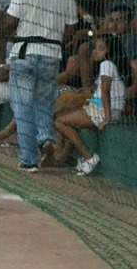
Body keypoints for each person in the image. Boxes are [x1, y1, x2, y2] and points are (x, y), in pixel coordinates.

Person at [3, 0, 78, 171]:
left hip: (25, 50)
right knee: (44, 103)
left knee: (22, 107)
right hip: (52, 54)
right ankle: (46, 138)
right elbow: (71, 28)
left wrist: (5, 31)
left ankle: (29, 159)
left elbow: (10, 21)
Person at [54, 37, 127, 176]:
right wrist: (90, 93)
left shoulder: (106, 64)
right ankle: (70, 155)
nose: (95, 51)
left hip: (104, 110)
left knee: (59, 121)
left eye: (101, 48)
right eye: (95, 48)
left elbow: (105, 93)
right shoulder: (108, 65)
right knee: (68, 110)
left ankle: (88, 157)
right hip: (99, 106)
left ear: (110, 51)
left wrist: (107, 118)